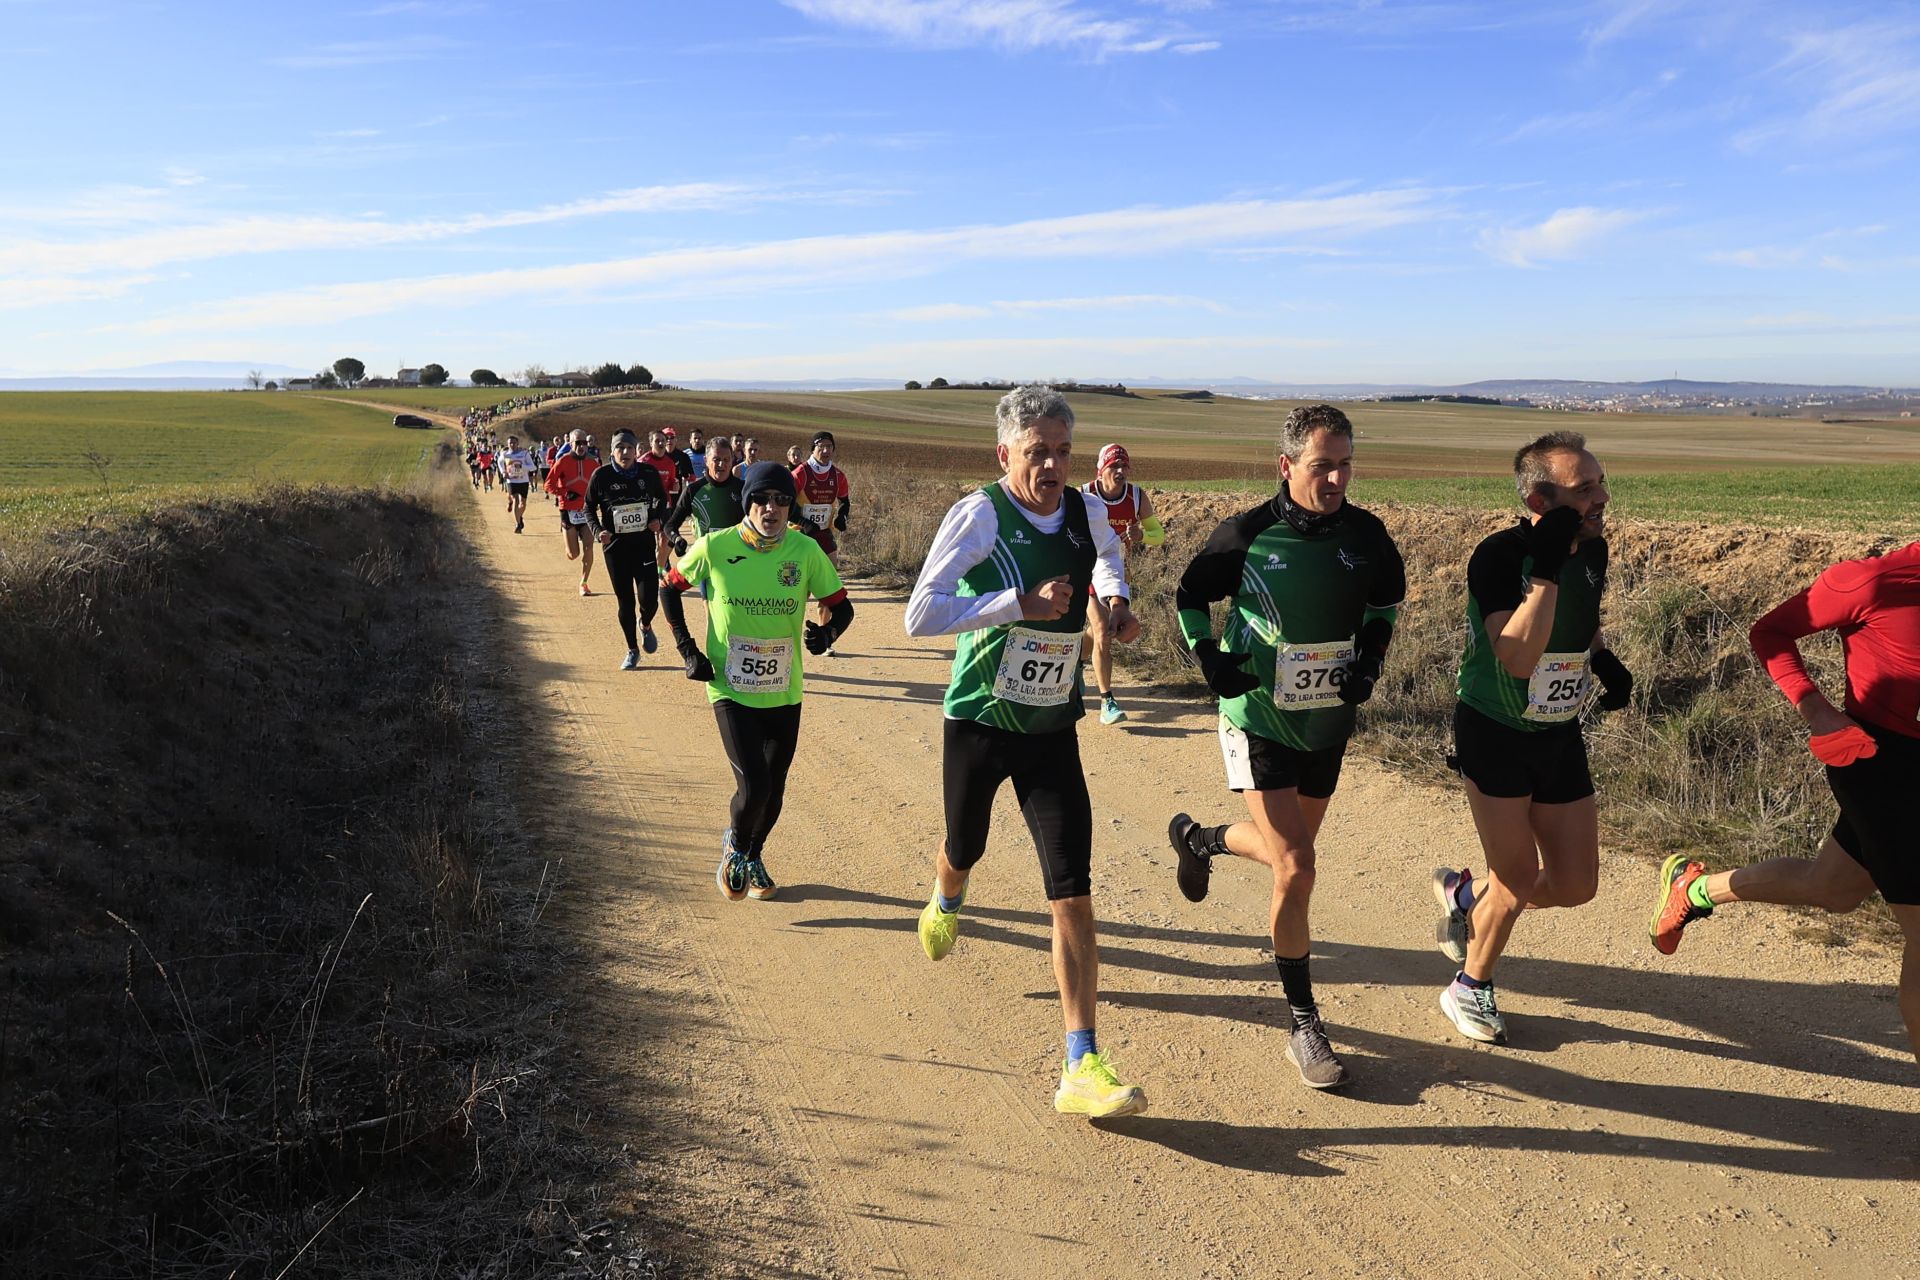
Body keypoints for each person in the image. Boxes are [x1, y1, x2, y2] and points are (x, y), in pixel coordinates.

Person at [904, 385, 1148, 1120]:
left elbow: (1107, 558)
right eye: (1035, 451)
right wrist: (1016, 603)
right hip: (980, 717)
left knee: (1071, 889)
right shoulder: (980, 514)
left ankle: (1082, 1062)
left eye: (1061, 452)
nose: (1050, 465)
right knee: (964, 844)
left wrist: (1115, 602)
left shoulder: (1087, 509)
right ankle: (948, 892)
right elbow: (922, 613)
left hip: (1051, 726)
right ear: (1004, 453)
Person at [1164, 406, 1405, 1089]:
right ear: (1286, 466)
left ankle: (1202, 840)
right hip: (1257, 717)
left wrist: (1371, 659)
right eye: (1322, 464)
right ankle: (1303, 1023)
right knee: (1297, 866)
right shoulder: (1246, 533)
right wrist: (1208, 657)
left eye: (1346, 463)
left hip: (1326, 724)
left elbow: (1384, 605)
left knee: (1282, 854)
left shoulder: (1365, 533)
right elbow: (1189, 595)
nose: (1336, 477)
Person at [1651, 544, 1920, 1067]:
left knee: (1834, 888)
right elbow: (1770, 632)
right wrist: (1815, 708)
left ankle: (1694, 888)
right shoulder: (1872, 582)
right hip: (1883, 768)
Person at [1430, 430, 1631, 1045]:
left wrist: (1601, 658)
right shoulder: (1497, 557)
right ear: (1542, 501)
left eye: (1601, 481)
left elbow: (1578, 621)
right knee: (1517, 878)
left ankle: (1466, 896)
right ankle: (1471, 987)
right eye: (1585, 488)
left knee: (1575, 885)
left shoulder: (1593, 549)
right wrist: (1543, 572)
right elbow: (1515, 656)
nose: (1602, 496)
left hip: (1557, 730)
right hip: (1494, 728)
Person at [660, 462, 854, 902]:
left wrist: (827, 635)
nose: (772, 508)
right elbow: (669, 589)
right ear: (748, 502)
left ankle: (753, 853)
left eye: (782, 500)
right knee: (756, 786)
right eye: (762, 499)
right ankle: (736, 845)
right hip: (730, 688)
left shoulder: (805, 551)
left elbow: (842, 607)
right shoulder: (715, 547)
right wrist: (688, 650)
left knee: (776, 789)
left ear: (791, 506)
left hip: (784, 690)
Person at [1081, 443, 1164, 725]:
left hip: (1114, 568)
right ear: (1100, 470)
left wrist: (1141, 536)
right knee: (1103, 628)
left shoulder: (1137, 497)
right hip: (1085, 568)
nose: (1119, 472)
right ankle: (1107, 701)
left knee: (1098, 629)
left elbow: (1158, 535)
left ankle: (1077, 661)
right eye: (1113, 466)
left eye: (1123, 466)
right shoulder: (1083, 494)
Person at [586, 430, 671, 669]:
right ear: (612, 450)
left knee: (650, 600)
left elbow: (662, 500)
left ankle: (645, 624)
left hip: (643, 545)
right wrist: (597, 531)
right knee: (625, 602)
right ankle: (632, 650)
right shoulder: (600, 476)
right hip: (615, 548)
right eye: (620, 448)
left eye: (629, 448)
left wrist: (656, 519)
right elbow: (588, 508)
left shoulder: (648, 473)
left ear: (636, 450)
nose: (625, 453)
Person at [793, 431, 852, 642]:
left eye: (829, 447)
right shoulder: (801, 473)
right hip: (799, 536)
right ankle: (789, 633)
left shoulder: (838, 476)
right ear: (813, 449)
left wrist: (842, 518)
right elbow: (787, 504)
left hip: (824, 537)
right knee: (799, 590)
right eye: (821, 446)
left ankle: (825, 635)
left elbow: (844, 501)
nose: (826, 451)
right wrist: (804, 522)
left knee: (829, 587)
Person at [543, 428, 601, 596]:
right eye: (578, 443)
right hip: (568, 510)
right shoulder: (562, 461)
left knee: (589, 547)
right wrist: (565, 493)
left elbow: (600, 487)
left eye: (584, 443)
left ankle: (584, 583)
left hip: (587, 511)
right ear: (570, 444)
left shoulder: (593, 463)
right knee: (573, 554)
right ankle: (566, 536)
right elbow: (548, 485)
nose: (581, 446)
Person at [666, 435, 744, 551]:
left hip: (736, 556)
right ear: (706, 460)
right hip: (706, 557)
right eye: (716, 459)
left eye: (726, 459)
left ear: (732, 460)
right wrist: (677, 539)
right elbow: (670, 526)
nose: (721, 464)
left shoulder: (743, 488)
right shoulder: (693, 490)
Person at [498, 433, 536, 533]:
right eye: (510, 443)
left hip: (523, 481)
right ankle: (518, 524)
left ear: (517, 443)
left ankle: (519, 516)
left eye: (514, 443)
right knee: (516, 500)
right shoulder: (505, 454)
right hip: (512, 480)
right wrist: (503, 472)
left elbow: (533, 467)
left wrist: (522, 467)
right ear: (508, 444)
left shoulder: (524, 453)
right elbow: (499, 462)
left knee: (523, 503)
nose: (512, 445)